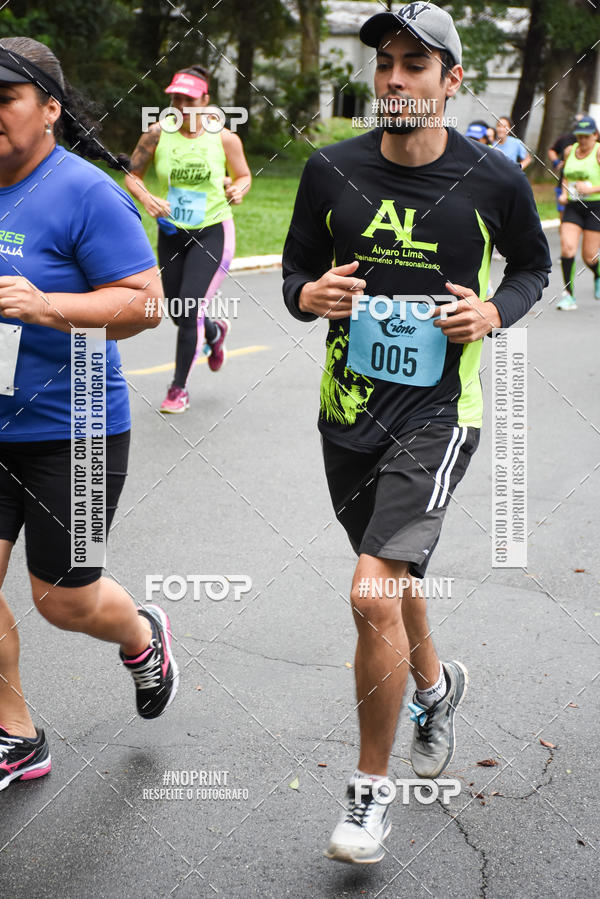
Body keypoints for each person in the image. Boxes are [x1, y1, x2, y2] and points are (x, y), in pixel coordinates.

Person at [283, 2, 551, 864]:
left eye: (415, 65)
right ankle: (437, 686)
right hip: (346, 411)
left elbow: (533, 268)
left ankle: (368, 795)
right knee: (389, 580)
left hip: (439, 415)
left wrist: (493, 311)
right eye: (386, 64)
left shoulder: (493, 178)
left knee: (369, 592)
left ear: (451, 80)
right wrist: (306, 296)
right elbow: (295, 266)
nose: (395, 79)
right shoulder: (331, 169)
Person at [0, 37, 178, 791]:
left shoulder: (85, 192)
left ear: (50, 108)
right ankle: (17, 735)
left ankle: (141, 636)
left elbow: (145, 302)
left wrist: (48, 307)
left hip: (71, 428)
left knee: (61, 599)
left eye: (4, 98)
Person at [125, 66, 251, 413]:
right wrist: (148, 199)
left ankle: (178, 388)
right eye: (175, 99)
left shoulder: (224, 138)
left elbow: (243, 176)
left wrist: (236, 189)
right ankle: (214, 331)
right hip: (171, 233)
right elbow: (132, 176)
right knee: (178, 311)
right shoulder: (156, 134)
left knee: (190, 306)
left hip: (212, 230)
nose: (181, 106)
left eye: (189, 99)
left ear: (205, 100)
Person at [556, 116, 600, 309]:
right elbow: (566, 176)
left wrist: (591, 189)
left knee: (590, 256)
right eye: (579, 136)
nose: (582, 140)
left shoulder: (598, 152)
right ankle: (569, 295)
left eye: (586, 136)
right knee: (567, 248)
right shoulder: (569, 151)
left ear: (595, 135)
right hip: (573, 206)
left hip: (595, 207)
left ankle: (598, 274)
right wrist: (564, 194)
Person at [548, 115, 582, 219]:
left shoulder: (596, 142)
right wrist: (556, 162)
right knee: (564, 219)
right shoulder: (566, 139)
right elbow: (552, 150)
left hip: (586, 187)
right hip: (565, 183)